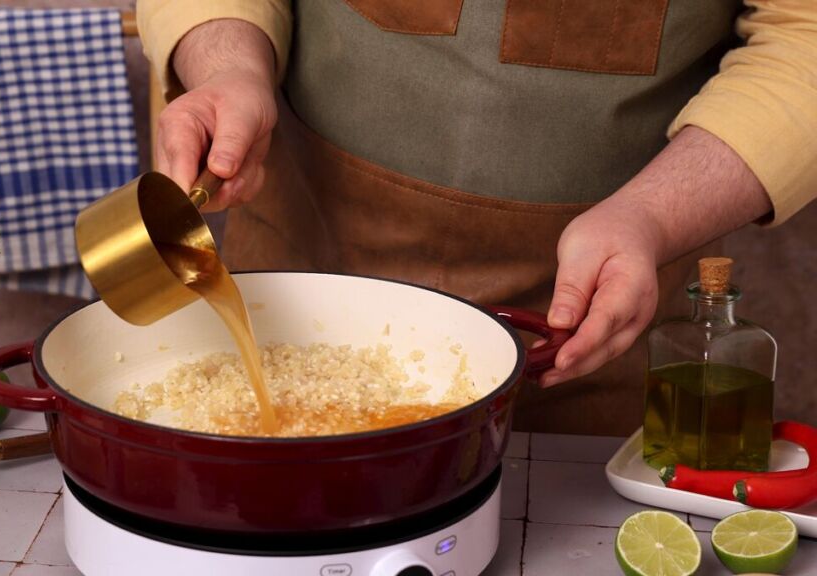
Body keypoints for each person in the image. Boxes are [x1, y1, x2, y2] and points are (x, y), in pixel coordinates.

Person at [135, 1, 817, 434]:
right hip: (301, 254)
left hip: (587, 324)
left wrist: (652, 216)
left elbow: (805, 35)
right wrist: (227, 67)